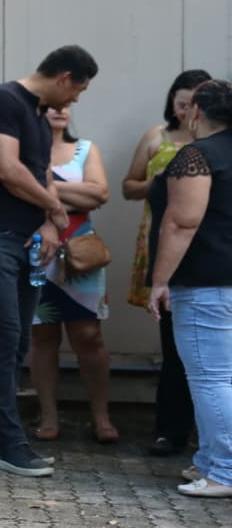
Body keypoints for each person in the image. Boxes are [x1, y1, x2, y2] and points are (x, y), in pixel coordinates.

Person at [0, 43, 98, 478]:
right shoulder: (2, 101)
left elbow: (41, 174)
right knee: (6, 336)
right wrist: (56, 209)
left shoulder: (39, 117)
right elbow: (9, 170)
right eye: (77, 90)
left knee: (19, 338)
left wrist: (48, 224)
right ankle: (10, 443)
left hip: (26, 241)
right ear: (64, 77)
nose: (75, 100)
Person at [147, 78, 232, 498]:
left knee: (210, 377)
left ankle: (225, 471)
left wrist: (160, 280)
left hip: (205, 281)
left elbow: (182, 222)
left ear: (195, 111)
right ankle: (209, 461)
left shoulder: (196, 156)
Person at [123, 69, 211, 456]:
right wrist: (161, 182)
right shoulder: (157, 137)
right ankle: (171, 430)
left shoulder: (213, 149)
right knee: (174, 344)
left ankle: (208, 436)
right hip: (164, 241)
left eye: (193, 104)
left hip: (207, 250)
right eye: (180, 103)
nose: (186, 111)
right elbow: (128, 186)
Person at [28, 106, 116, 443]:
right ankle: (48, 416)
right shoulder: (25, 150)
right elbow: (17, 191)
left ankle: (101, 417)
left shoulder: (85, 149)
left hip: (81, 251)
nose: (60, 109)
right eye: (51, 105)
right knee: (42, 335)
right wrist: (75, 193)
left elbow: (100, 194)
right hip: (38, 250)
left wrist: (45, 187)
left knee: (89, 335)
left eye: (65, 105)